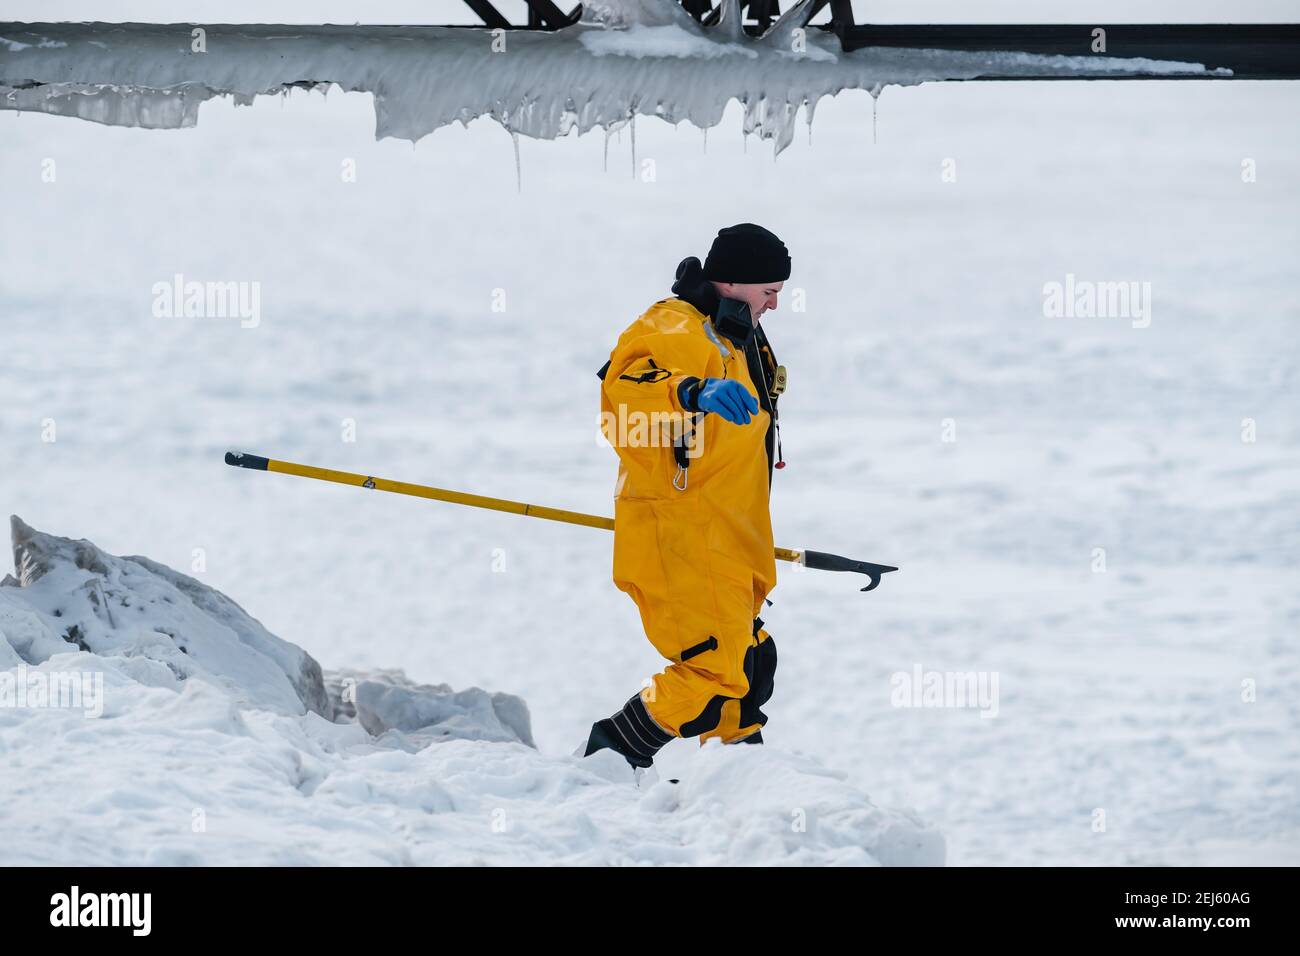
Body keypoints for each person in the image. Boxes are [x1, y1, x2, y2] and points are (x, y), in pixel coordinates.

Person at [582, 223, 790, 771]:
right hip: (680, 531)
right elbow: (622, 404)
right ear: (731, 283)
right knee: (711, 668)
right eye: (768, 290)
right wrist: (691, 392)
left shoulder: (740, 334)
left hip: (731, 531)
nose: (774, 303)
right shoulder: (673, 328)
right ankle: (608, 759)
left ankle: (736, 781)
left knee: (749, 660)